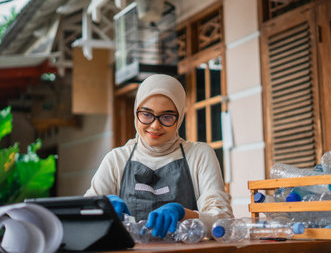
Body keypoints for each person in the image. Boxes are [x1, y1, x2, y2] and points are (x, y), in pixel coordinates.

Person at [84, 74, 233, 238]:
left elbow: (224, 223)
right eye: (147, 114)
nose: (155, 126)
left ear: (179, 118)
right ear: (136, 113)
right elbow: (84, 217)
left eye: (167, 117)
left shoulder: (199, 155)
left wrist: (184, 214)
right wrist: (102, 207)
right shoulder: (116, 160)